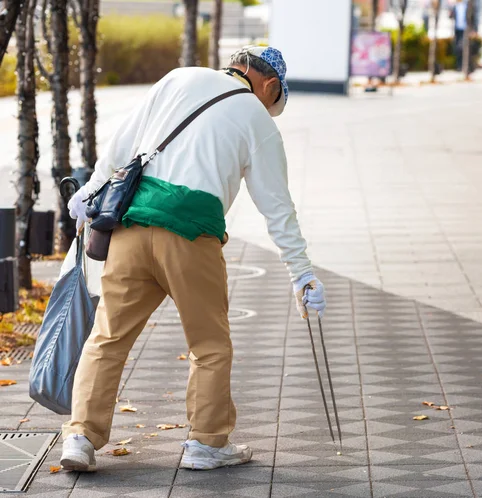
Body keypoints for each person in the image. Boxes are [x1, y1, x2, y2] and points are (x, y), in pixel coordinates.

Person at [61, 46, 327, 472]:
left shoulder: (179, 78)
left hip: (130, 225)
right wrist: (303, 275)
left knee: (108, 338)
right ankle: (205, 443)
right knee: (210, 346)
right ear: (270, 86)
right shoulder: (258, 121)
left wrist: (89, 191)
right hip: (190, 237)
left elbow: (120, 145)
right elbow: (278, 208)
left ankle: (80, 437)